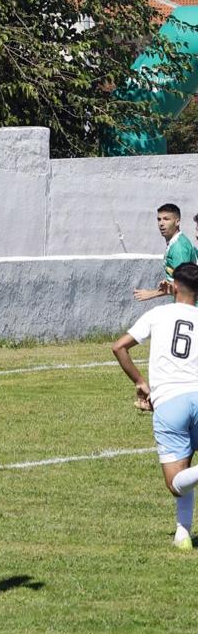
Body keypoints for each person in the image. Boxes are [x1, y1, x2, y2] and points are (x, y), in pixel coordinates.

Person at [112, 261, 198, 550]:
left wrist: (140, 382)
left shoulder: (158, 313)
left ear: (173, 286)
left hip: (171, 404)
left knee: (176, 482)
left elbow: (119, 346)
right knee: (186, 468)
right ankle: (182, 534)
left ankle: (183, 532)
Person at [133, 203, 196, 302]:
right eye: (159, 219)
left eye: (166, 219)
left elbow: (183, 284)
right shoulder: (175, 242)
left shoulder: (179, 248)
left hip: (189, 306)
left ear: (177, 222)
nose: (161, 223)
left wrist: (150, 293)